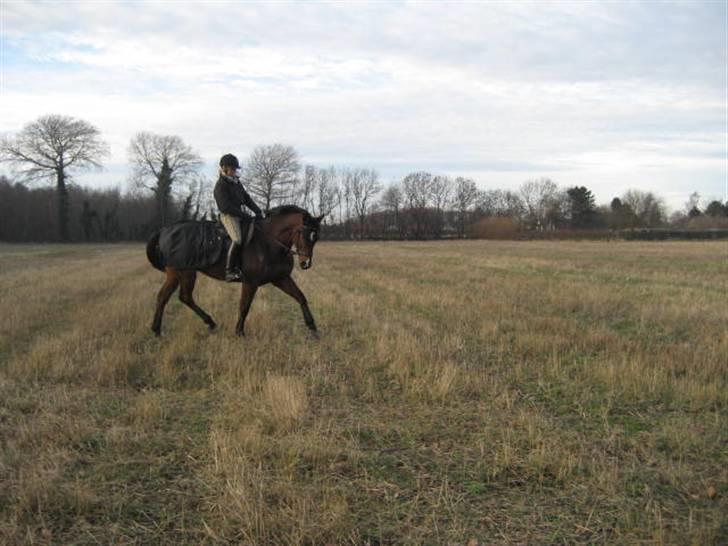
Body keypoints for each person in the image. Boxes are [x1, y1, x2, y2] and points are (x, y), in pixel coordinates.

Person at [214, 153, 263, 282]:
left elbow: (246, 198)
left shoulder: (236, 182)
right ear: (224, 168)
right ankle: (229, 271)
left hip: (239, 214)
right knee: (237, 239)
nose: (235, 171)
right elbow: (226, 207)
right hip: (228, 216)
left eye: (235, 169)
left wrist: (257, 211)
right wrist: (245, 215)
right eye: (232, 169)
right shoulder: (220, 185)